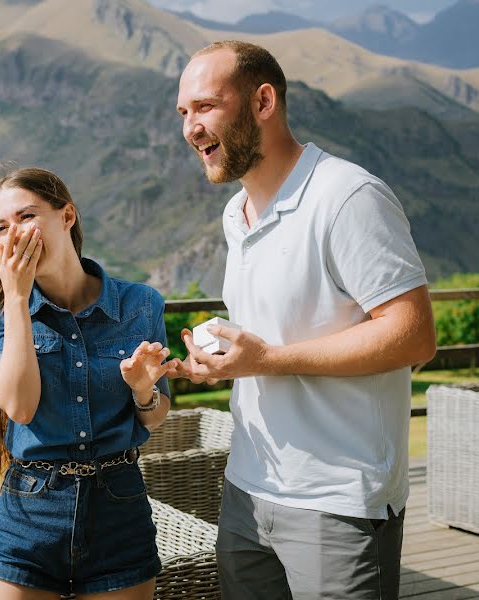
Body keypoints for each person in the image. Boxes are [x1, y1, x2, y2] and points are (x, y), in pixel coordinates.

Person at [172, 41, 437, 599]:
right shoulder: (234, 213)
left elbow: (413, 333)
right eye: (184, 113)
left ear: (263, 101)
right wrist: (221, 356)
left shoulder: (348, 196)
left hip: (337, 503)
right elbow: (278, 323)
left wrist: (268, 360)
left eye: (205, 107)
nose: (191, 128)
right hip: (247, 490)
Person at [0, 167, 175, 599]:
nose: (15, 233)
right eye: (2, 227)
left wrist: (144, 391)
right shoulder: (3, 319)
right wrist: (16, 298)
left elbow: (155, 416)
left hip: (119, 508)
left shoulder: (140, 304)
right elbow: (19, 407)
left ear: (66, 216)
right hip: (31, 512)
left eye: (26, 215)